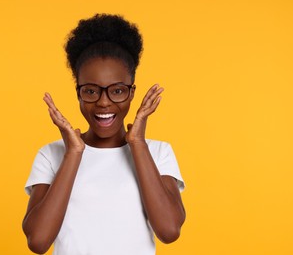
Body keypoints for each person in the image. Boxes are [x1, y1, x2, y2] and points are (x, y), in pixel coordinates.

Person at [22, 13, 186, 255]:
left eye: (117, 90)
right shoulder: (52, 154)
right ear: (78, 92)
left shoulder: (158, 152)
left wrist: (138, 143)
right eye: (91, 91)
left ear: (131, 92)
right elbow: (38, 241)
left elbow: (169, 230)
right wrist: (74, 153)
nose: (104, 103)